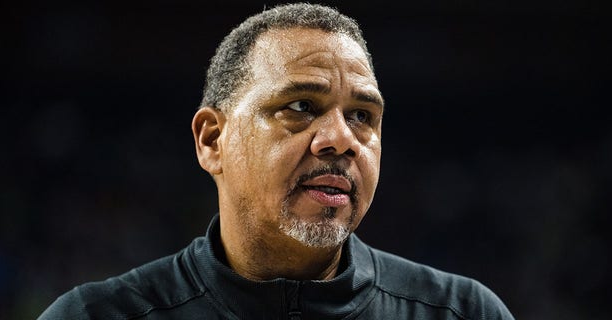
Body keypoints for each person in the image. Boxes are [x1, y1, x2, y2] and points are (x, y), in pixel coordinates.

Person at [38, 3, 514, 319]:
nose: (341, 139)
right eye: (302, 106)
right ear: (212, 140)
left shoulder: (464, 312)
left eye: (362, 115)